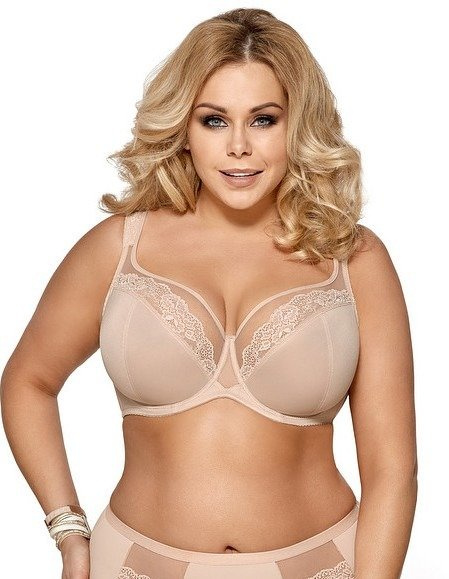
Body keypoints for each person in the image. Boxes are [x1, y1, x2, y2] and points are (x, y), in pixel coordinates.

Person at [0, 7, 417, 579]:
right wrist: (69, 531)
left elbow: (393, 472)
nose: (239, 146)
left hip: (323, 564)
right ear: (184, 128)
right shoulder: (119, 247)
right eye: (215, 120)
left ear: (298, 126)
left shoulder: (355, 258)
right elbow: (28, 381)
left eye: (264, 119)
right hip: (134, 565)